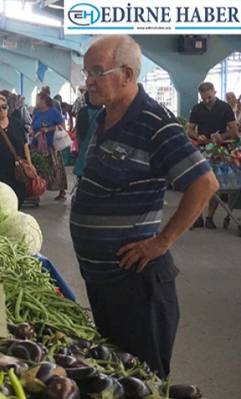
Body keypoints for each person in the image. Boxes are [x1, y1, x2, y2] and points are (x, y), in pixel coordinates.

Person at [72, 35, 218, 380]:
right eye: (85, 71)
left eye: (96, 71)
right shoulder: (102, 117)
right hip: (104, 283)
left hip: (137, 286)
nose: (87, 80)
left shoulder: (156, 123)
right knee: (115, 374)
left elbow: (205, 183)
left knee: (144, 379)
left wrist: (160, 242)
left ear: (126, 74)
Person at [187, 82, 238, 229]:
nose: (207, 101)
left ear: (215, 92)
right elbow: (189, 130)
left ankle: (210, 217)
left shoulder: (225, 108)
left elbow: (234, 129)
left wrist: (221, 136)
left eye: (209, 97)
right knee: (198, 183)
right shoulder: (197, 109)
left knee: (216, 184)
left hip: (219, 151)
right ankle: (198, 217)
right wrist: (197, 136)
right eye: (203, 98)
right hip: (202, 149)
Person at [31, 92, 68, 201]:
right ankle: (37, 189)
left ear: (43, 101)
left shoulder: (53, 112)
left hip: (50, 146)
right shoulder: (37, 113)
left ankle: (61, 191)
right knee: (38, 169)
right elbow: (33, 125)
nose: (36, 102)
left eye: (37, 100)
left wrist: (47, 130)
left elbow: (62, 126)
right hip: (37, 144)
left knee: (56, 168)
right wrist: (32, 131)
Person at [71, 91, 103, 179]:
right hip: (99, 151)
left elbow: (80, 132)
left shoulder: (83, 112)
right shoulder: (104, 113)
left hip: (84, 148)